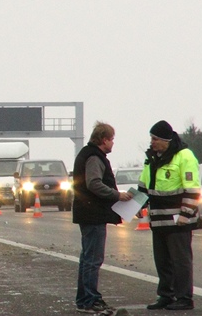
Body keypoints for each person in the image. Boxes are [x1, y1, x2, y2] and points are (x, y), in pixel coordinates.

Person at [138, 120, 200, 311]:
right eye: (151, 138)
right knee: (162, 261)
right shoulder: (151, 159)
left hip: (178, 221)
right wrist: (133, 206)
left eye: (155, 138)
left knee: (180, 261)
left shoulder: (184, 157)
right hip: (158, 220)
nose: (152, 142)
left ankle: (184, 298)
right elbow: (143, 187)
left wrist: (185, 213)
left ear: (166, 139)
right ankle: (166, 295)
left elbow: (192, 189)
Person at [72, 121, 133, 314]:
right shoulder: (94, 157)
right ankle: (90, 300)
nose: (113, 143)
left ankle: (84, 300)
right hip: (93, 213)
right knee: (93, 259)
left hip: (88, 212)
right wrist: (118, 195)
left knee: (87, 258)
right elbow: (94, 184)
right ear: (104, 139)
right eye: (112, 139)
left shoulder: (88, 154)